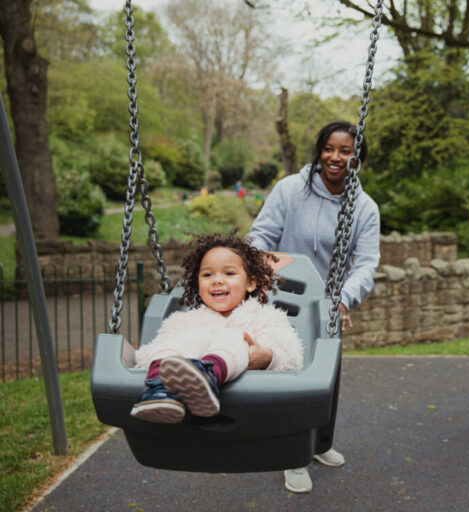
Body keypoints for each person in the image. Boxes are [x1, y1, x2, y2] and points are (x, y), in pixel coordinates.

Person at [247, 120, 380, 493]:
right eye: (329, 149)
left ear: (357, 158)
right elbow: (261, 234)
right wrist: (259, 269)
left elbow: (366, 263)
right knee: (294, 375)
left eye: (345, 151)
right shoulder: (290, 190)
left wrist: (344, 298)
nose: (335, 157)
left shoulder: (365, 208)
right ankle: (293, 457)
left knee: (328, 376)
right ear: (319, 151)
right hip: (282, 296)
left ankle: (320, 444)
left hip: (328, 304)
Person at [130, 230, 304, 424]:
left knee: (233, 337)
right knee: (192, 337)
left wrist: (268, 357)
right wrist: (133, 359)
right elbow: (154, 350)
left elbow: (291, 355)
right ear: (197, 283)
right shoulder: (185, 321)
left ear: (250, 283)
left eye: (229, 273)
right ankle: (158, 388)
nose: (217, 280)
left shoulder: (265, 318)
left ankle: (207, 376)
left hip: (254, 407)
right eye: (207, 274)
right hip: (182, 402)